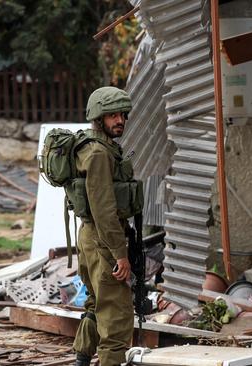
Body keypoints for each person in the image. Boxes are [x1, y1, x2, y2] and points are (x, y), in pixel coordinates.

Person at [72, 86, 137, 366]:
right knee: (116, 312)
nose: (119, 120)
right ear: (99, 117)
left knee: (96, 303)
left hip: (90, 236)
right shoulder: (98, 153)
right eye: (112, 115)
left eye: (122, 114)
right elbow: (104, 209)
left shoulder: (92, 145)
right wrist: (120, 254)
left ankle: (82, 360)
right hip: (103, 237)